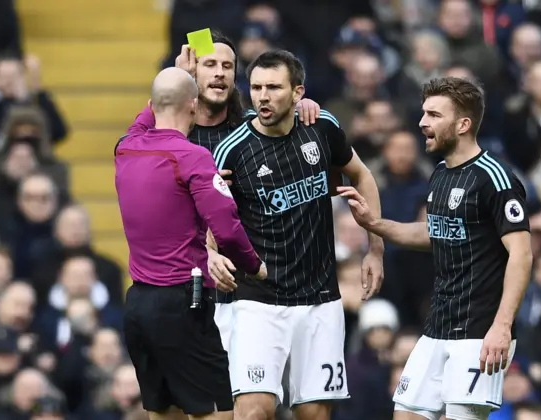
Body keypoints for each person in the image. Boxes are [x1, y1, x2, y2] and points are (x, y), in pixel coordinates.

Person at [338, 77, 533, 420]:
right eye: (423, 113)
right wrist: (375, 224)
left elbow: (522, 254)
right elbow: (435, 233)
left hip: (480, 329)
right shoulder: (441, 173)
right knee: (406, 414)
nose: (422, 122)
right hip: (438, 325)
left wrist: (502, 327)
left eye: (433, 114)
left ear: (463, 124)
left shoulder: (496, 179)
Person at [211, 50, 384, 420]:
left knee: (314, 414)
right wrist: (211, 254)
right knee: (254, 411)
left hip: (320, 298)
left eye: (273, 87)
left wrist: (376, 250)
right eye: (256, 87)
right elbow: (212, 216)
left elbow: (363, 175)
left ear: (297, 93)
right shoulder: (232, 150)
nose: (262, 96)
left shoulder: (322, 127)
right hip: (258, 300)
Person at [115, 67, 267, 420]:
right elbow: (226, 228)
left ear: (153, 105)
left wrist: (179, 74)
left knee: (162, 411)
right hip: (184, 304)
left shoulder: (126, 147)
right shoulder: (193, 157)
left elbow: (146, 115)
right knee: (215, 413)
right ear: (195, 107)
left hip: (138, 304)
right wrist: (253, 266)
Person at [171, 30, 321, 350]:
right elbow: (127, 153)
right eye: (209, 63)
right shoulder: (169, 138)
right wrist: (175, 83)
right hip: (178, 279)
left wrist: (299, 104)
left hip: (242, 289)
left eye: (228, 66)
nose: (220, 73)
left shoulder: (251, 131)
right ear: (192, 71)